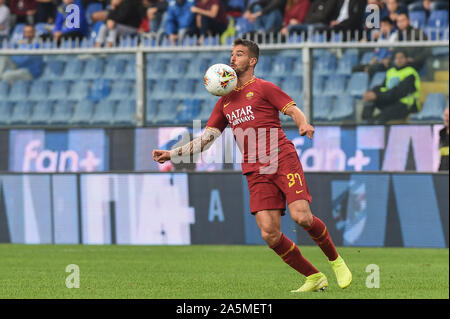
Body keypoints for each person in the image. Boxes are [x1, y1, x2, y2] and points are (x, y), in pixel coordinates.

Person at [152, 38, 352, 292]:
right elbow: (204, 141)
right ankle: (314, 277)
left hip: (281, 158)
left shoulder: (264, 88)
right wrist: (171, 154)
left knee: (301, 217)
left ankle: (336, 261)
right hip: (255, 169)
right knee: (270, 234)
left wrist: (303, 123)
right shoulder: (224, 102)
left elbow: (292, 110)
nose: (233, 58)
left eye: (239, 54)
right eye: (232, 54)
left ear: (252, 61)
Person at [362, 50, 421, 123]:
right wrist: (373, 93)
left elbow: (398, 93)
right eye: (396, 58)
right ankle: (365, 122)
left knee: (384, 115)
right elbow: (383, 87)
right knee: (370, 101)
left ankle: (374, 125)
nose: (399, 60)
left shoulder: (410, 72)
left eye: (401, 58)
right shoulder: (391, 71)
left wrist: (377, 96)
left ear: (407, 59)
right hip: (392, 100)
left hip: (407, 104)